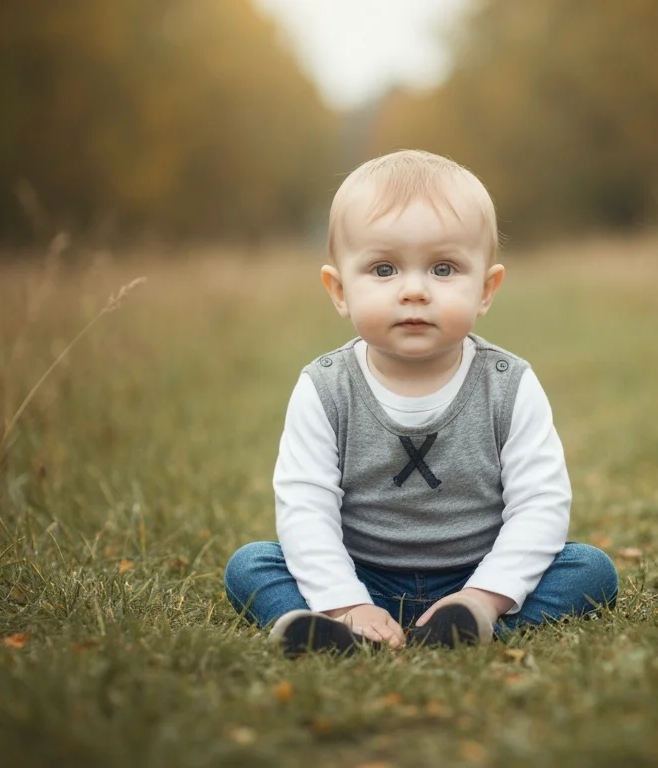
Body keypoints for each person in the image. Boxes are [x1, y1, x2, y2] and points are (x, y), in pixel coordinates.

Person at [223, 150, 618, 657]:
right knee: (251, 565)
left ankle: (468, 623)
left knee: (589, 570)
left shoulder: (508, 384)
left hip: (479, 572)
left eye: (443, 268)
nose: (414, 290)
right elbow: (306, 507)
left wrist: (483, 594)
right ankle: (337, 630)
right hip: (358, 574)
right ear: (339, 290)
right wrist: (346, 601)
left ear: (486, 289)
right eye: (384, 269)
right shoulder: (325, 388)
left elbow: (539, 504)